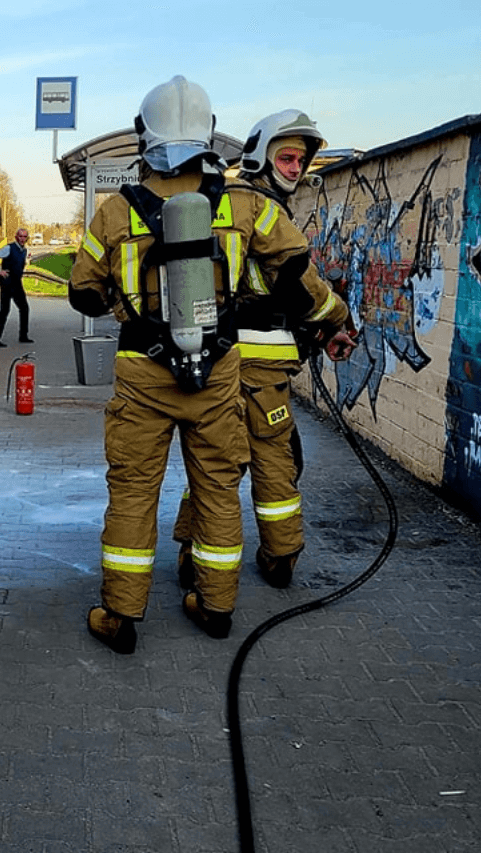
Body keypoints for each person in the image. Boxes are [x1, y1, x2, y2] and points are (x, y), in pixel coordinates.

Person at [70, 76, 342, 648]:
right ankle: (216, 607)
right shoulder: (245, 205)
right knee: (218, 486)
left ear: (144, 135)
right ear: (209, 136)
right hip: (218, 371)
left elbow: (82, 292)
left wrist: (124, 292)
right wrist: (334, 318)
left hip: (142, 372)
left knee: (134, 491)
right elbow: (296, 272)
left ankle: (120, 615)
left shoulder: (116, 212)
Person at [172, 110, 355, 592]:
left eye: (301, 159)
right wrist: (337, 318)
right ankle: (280, 556)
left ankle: (193, 555)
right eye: (287, 157)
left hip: (213, 357)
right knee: (274, 460)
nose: (295, 168)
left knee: (212, 460)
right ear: (260, 156)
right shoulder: (263, 207)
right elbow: (301, 281)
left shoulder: (213, 201)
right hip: (262, 364)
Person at [0, 227, 33, 346]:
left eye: (24, 237)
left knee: (24, 308)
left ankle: (23, 336)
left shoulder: (24, 251)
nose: (22, 239)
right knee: (4, 310)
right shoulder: (8, 248)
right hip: (7, 283)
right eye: (20, 236)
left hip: (17, 283)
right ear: (16, 237)